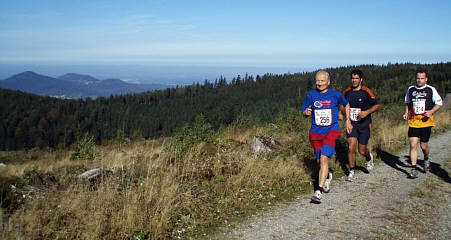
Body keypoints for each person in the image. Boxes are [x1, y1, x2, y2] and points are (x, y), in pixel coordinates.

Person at [301, 70, 352, 203]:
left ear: (328, 82)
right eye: (317, 80)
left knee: (324, 159)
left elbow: (346, 104)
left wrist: (348, 120)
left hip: (331, 130)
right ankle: (328, 175)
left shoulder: (335, 94)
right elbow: (304, 111)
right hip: (315, 132)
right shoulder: (311, 95)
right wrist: (306, 112)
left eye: (322, 80)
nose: (319, 83)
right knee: (319, 161)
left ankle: (318, 191)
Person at [403, 69, 442, 178]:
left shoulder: (430, 89)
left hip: (426, 122)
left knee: (423, 146)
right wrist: (406, 113)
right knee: (412, 145)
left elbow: (439, 103)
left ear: (426, 79)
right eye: (418, 78)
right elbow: (407, 102)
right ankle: (414, 168)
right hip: (414, 122)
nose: (419, 81)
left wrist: (431, 111)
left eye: (422, 78)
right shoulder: (411, 89)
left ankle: (426, 158)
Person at [343, 69, 380, 181]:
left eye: (356, 78)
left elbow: (377, 105)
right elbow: (344, 105)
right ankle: (352, 170)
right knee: (351, 146)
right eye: (353, 78)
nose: (354, 81)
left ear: (361, 80)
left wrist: (366, 112)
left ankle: (368, 158)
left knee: (361, 150)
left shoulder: (366, 92)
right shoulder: (347, 92)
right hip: (352, 124)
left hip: (364, 125)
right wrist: (342, 115)